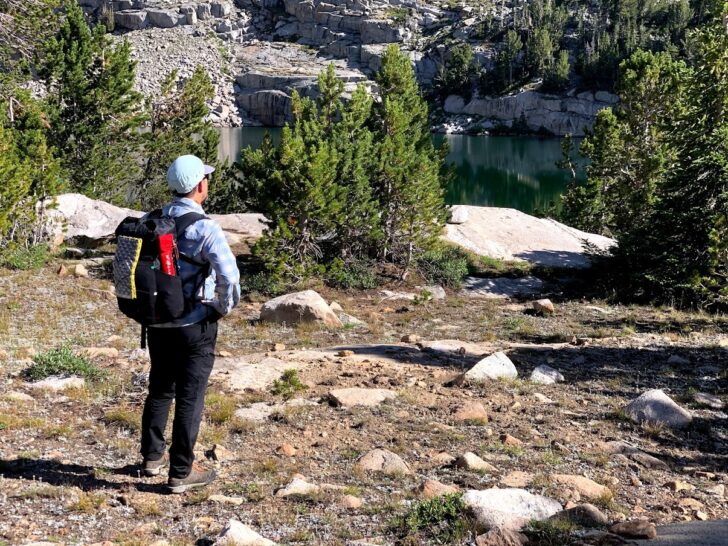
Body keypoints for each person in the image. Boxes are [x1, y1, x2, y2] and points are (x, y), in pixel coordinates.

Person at [139, 154, 240, 494]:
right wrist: (221, 308)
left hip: (157, 322)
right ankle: (181, 471)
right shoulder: (205, 227)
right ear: (200, 186)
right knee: (190, 396)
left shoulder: (151, 219)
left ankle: (152, 458)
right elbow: (229, 275)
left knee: (160, 389)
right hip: (195, 324)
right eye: (206, 180)